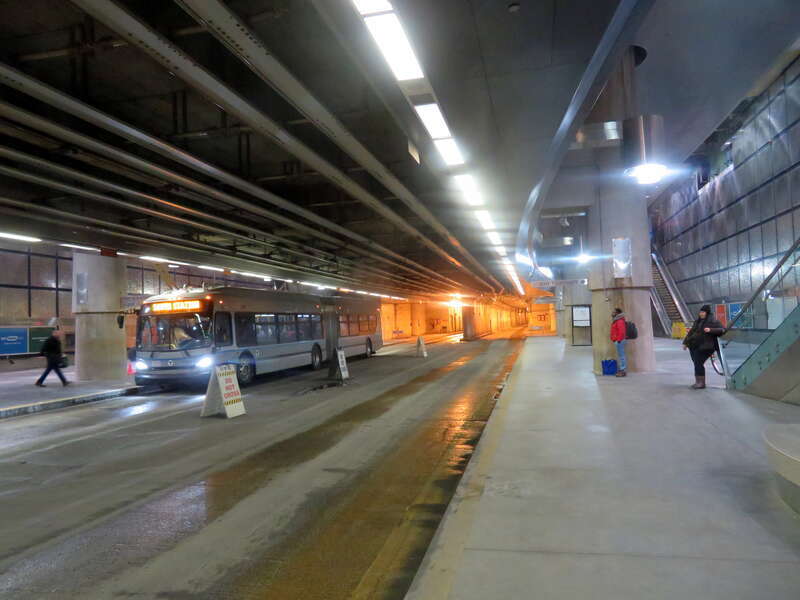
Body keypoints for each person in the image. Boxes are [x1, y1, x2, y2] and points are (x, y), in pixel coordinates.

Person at [683, 304, 725, 389]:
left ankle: (701, 383)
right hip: (694, 345)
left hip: (707, 346)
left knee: (698, 362)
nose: (701, 314)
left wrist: (711, 330)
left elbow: (722, 330)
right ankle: (698, 381)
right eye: (700, 312)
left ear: (707, 313)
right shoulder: (697, 321)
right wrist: (685, 343)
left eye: (703, 312)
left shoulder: (713, 321)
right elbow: (691, 333)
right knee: (697, 363)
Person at [610, 307, 627, 377]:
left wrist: (618, 340)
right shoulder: (616, 320)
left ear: (617, 313)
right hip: (618, 340)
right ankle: (621, 369)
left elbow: (622, 332)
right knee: (621, 355)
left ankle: (622, 370)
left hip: (620, 340)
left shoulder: (619, 321)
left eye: (614, 312)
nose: (612, 313)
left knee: (621, 356)